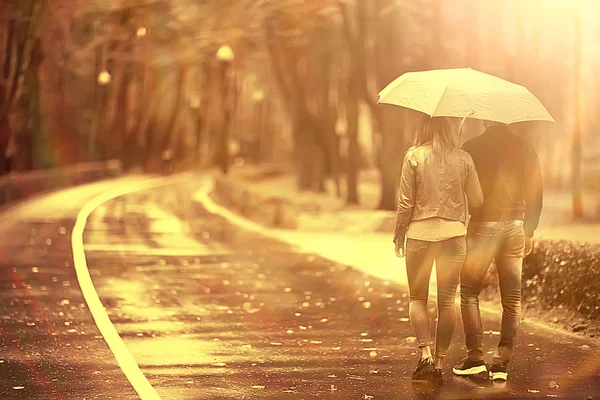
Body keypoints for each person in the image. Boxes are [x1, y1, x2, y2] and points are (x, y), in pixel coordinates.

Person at [393, 115, 483, 382]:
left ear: (423, 126)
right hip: (454, 237)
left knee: (417, 298)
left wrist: (399, 235)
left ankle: (426, 357)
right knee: (447, 301)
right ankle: (441, 362)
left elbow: (405, 203)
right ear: (450, 128)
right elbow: (477, 199)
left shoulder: (413, 157)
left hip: (420, 236)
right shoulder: (464, 158)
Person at [453, 121, 543, 382]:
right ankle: (501, 364)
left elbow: (463, 192)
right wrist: (530, 229)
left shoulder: (471, 148)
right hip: (515, 226)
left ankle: (475, 359)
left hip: (483, 226)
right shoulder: (524, 148)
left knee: (469, 292)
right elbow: (536, 192)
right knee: (512, 299)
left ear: (483, 119)